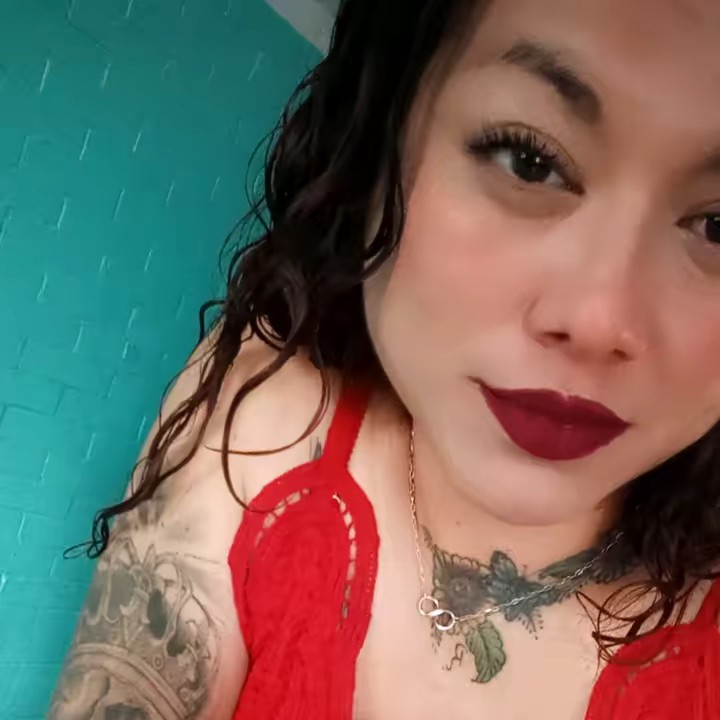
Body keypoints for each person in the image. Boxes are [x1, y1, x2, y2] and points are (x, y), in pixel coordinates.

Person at [49, 0, 720, 717]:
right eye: (529, 161)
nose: (598, 320)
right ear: (381, 138)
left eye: (716, 225)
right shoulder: (270, 419)